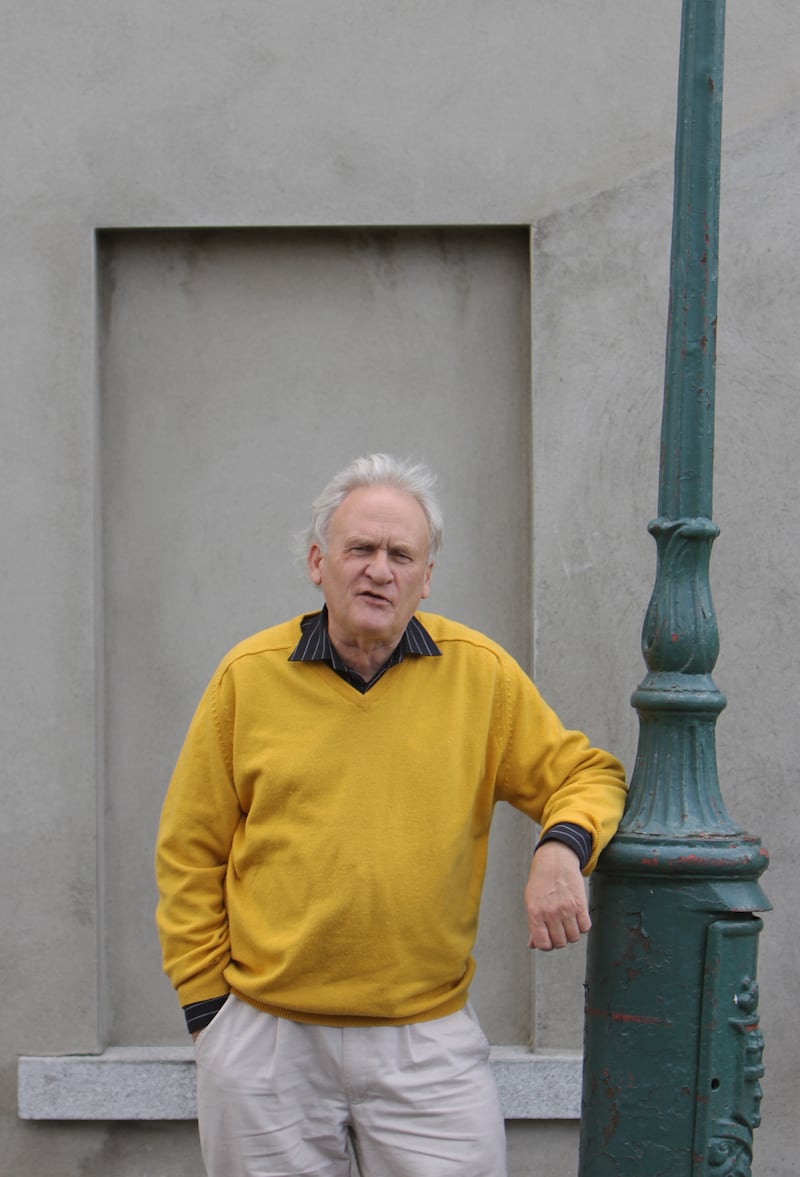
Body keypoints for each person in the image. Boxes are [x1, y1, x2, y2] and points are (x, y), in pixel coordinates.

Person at [155, 453, 627, 1177]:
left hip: (426, 1043)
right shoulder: (247, 678)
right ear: (318, 562)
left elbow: (585, 773)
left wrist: (561, 848)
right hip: (266, 1040)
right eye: (361, 549)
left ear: (426, 576)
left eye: (402, 553)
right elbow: (190, 851)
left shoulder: (479, 674)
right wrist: (208, 1013)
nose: (381, 569)